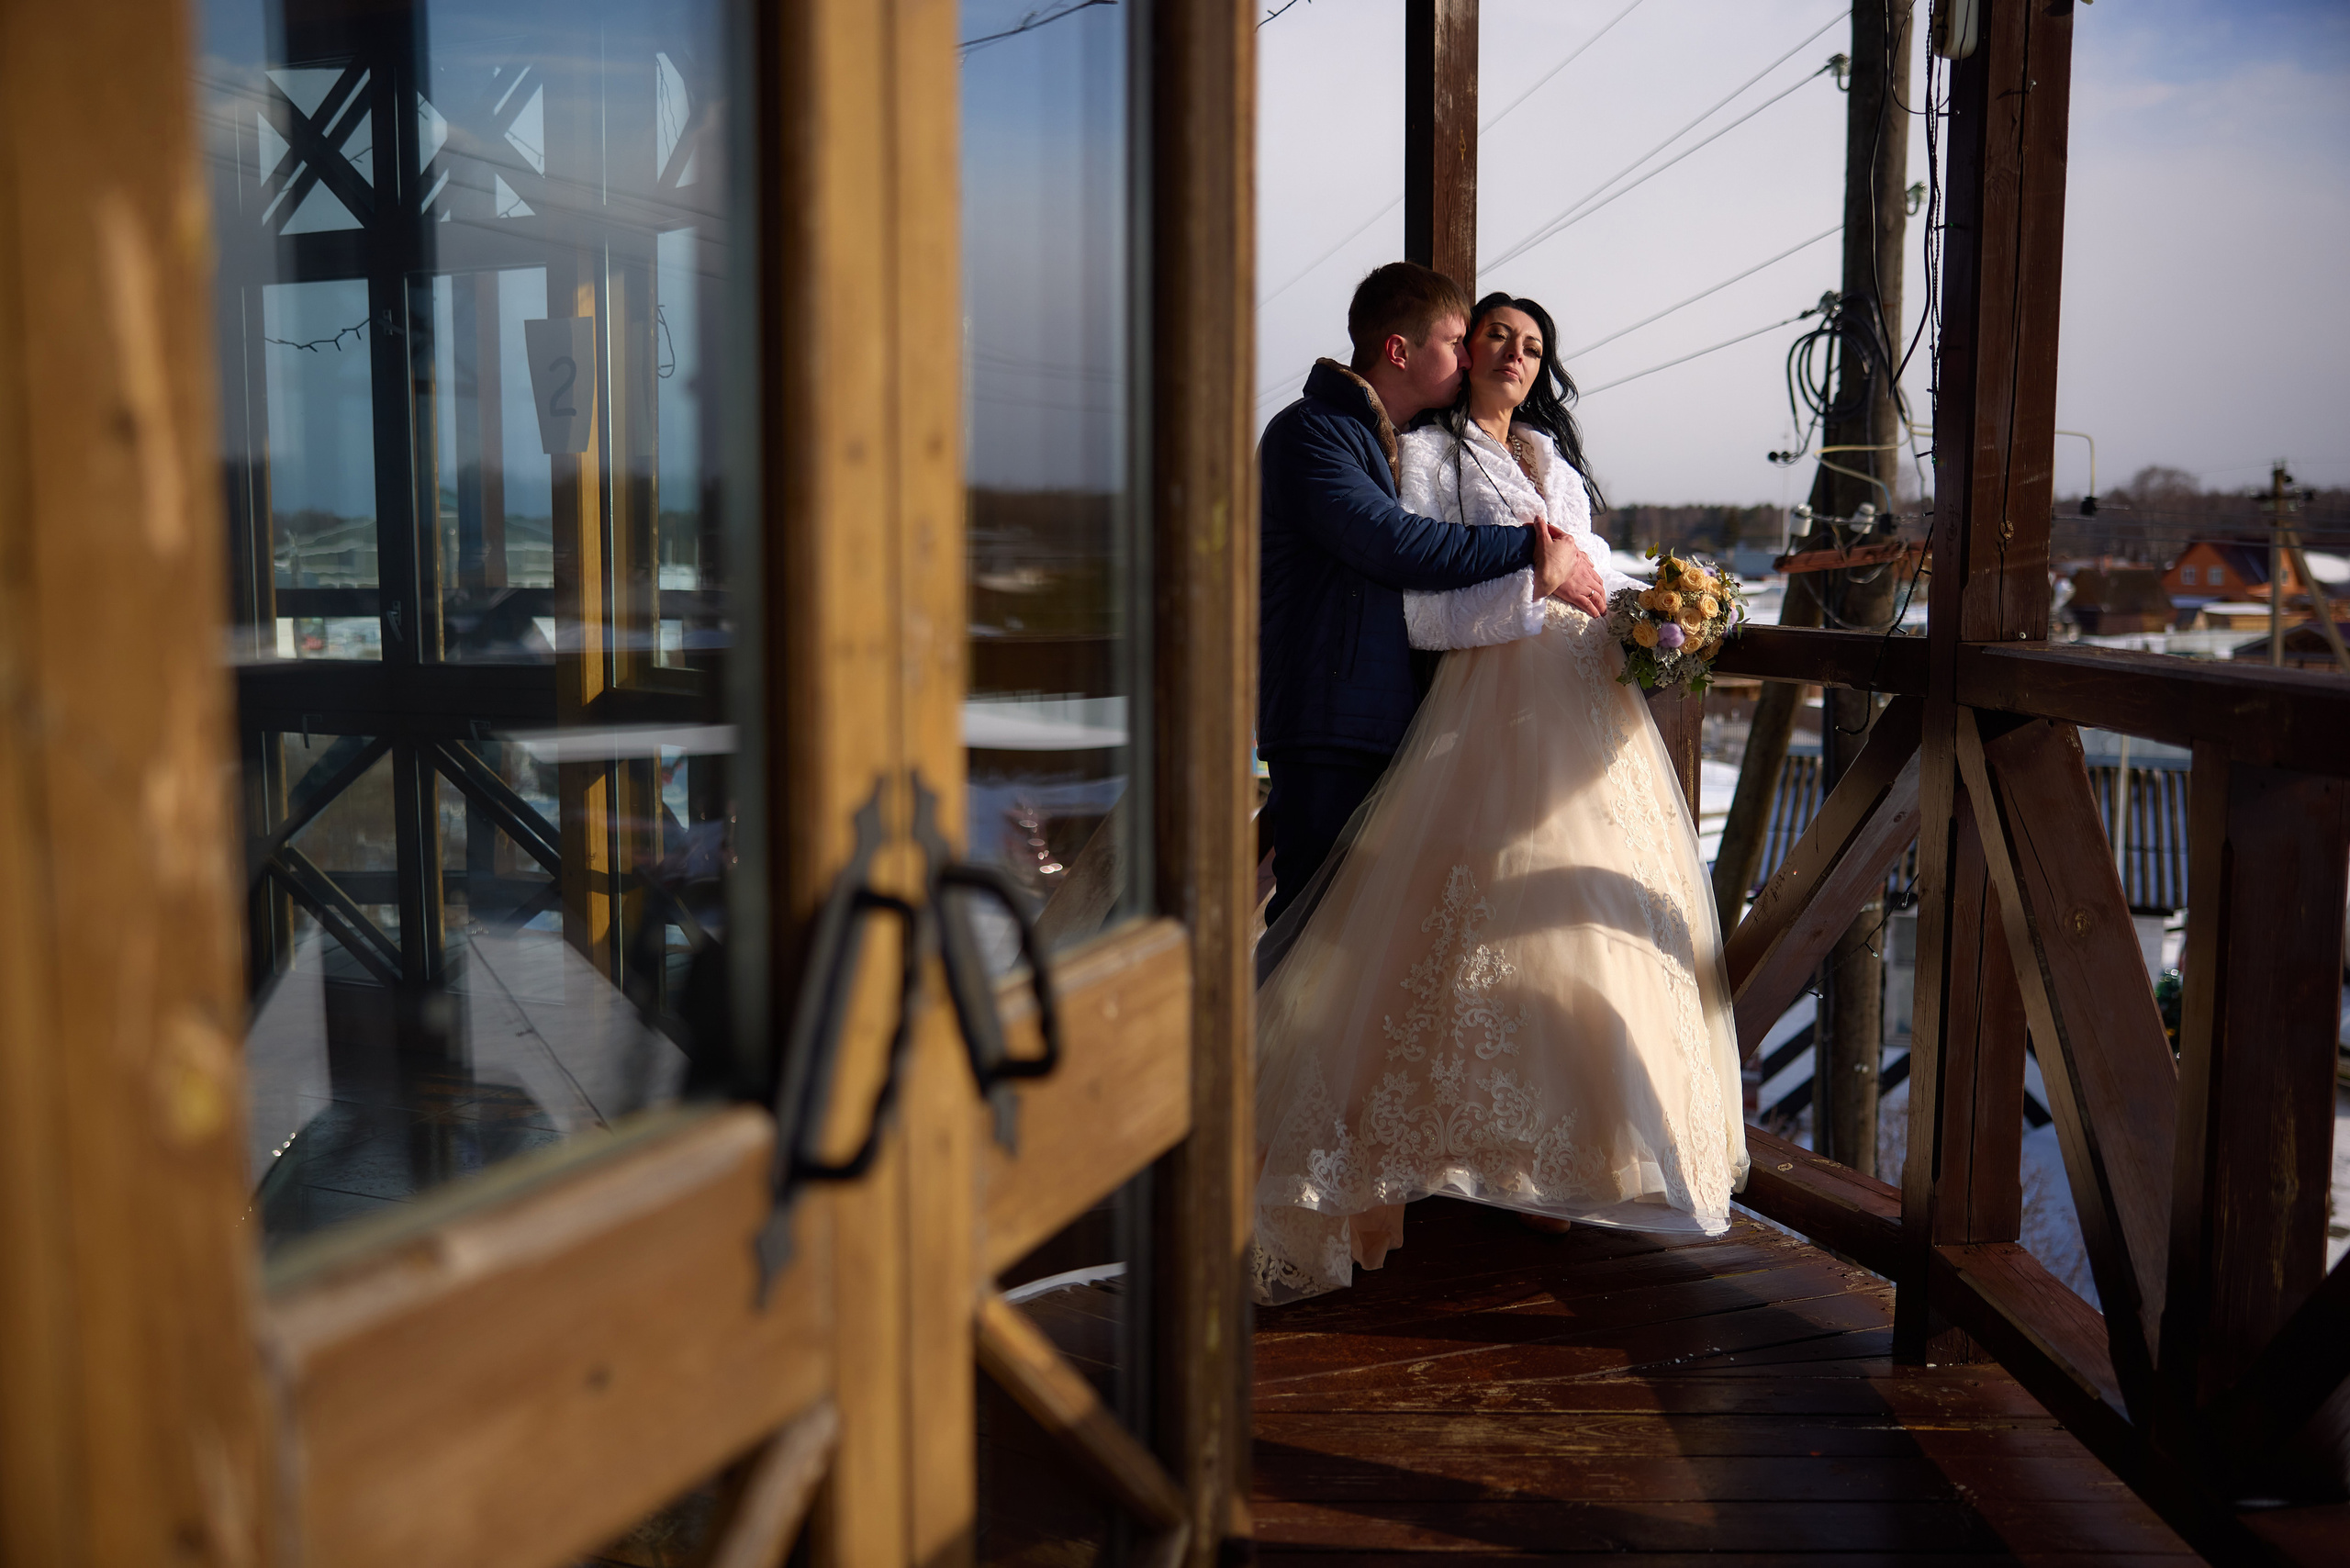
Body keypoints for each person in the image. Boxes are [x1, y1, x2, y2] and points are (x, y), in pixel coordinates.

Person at [1250, 291, 1749, 1305]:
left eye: (1532, 347)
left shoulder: (1554, 463)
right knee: (1440, 931)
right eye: (1494, 339)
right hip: (1481, 711)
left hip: (1579, 707)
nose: (1515, 356)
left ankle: (1565, 1153)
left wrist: (1660, 615)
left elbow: (1590, 573)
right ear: (1463, 351)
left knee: (1589, 924)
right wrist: (1539, 583)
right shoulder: (1426, 456)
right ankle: (1324, 1143)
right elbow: (1430, 610)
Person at [1257, 263, 1606, 927]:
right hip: (1329, 721)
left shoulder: (1373, 438)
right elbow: (1394, 545)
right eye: (1455, 342)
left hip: (1386, 720)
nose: (1469, 354)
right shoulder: (1312, 433)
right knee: (1311, 926)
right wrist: (1534, 551)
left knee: (1368, 930)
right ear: (1399, 350)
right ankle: (1273, 1035)